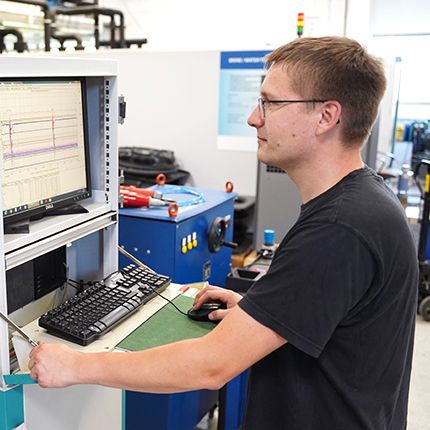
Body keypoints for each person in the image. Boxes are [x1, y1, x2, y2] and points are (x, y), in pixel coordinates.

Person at [29, 36, 418, 429]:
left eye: (271, 102)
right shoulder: (364, 201)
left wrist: (76, 366)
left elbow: (210, 366)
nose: (254, 117)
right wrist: (261, 312)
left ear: (326, 116)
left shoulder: (339, 228)